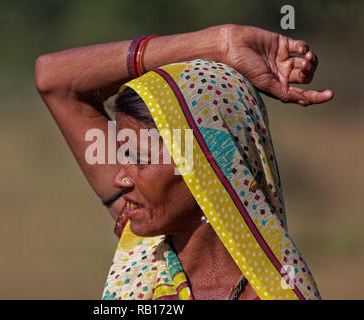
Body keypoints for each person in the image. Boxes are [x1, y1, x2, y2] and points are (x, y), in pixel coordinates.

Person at [35, 24, 333, 300]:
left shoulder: (279, 293)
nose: (119, 178)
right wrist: (219, 43)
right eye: (125, 156)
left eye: (140, 159)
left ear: (207, 166)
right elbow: (52, 78)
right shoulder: (143, 249)